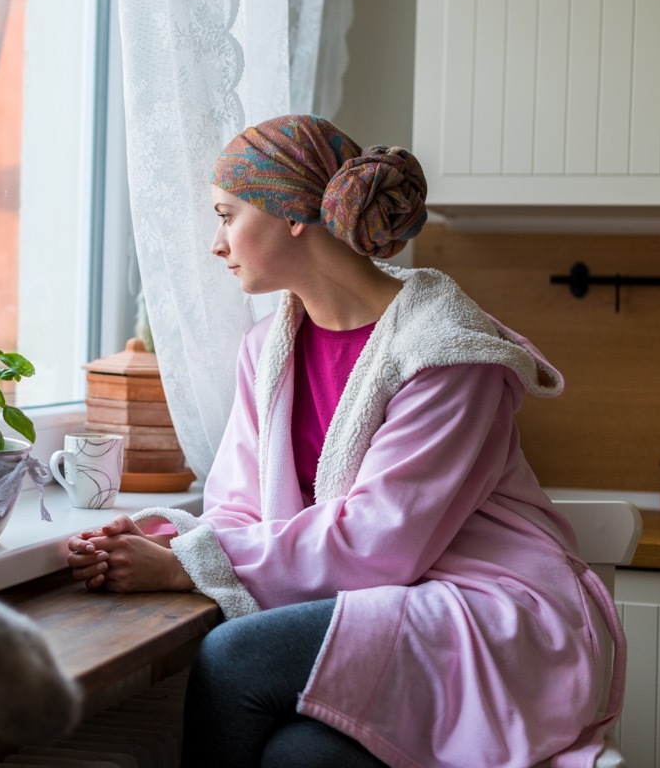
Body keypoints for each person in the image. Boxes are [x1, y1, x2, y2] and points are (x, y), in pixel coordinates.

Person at [66, 115, 624, 768]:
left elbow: (383, 541)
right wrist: (165, 543)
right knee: (303, 757)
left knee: (234, 656)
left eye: (228, 214)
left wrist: (181, 566)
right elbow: (240, 506)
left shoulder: (447, 353)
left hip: (481, 603)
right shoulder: (266, 348)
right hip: (375, 604)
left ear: (292, 215)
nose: (217, 243)